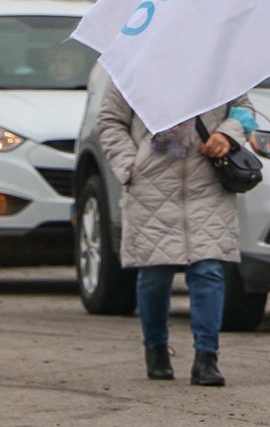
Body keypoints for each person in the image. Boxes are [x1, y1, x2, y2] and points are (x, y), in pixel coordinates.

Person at [96, 78, 252, 387]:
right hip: (151, 185)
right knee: (155, 274)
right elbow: (110, 122)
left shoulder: (219, 66)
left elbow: (243, 110)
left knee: (208, 270)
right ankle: (155, 349)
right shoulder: (132, 69)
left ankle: (206, 358)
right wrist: (130, 166)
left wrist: (227, 134)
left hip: (206, 183)